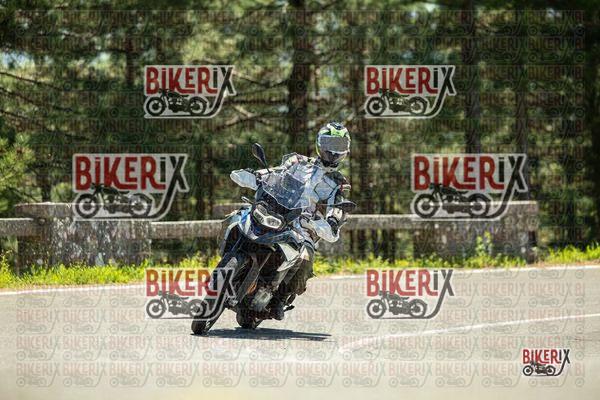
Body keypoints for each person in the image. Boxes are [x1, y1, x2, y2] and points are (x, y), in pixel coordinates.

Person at [262, 122, 353, 320]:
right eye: (329, 143)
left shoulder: (340, 183)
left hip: (304, 229)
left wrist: (332, 222)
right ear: (319, 143)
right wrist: (259, 175)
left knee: (304, 259)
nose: (333, 151)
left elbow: (338, 208)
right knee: (241, 216)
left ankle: (280, 298)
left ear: (346, 149)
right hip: (277, 213)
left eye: (338, 145)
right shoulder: (297, 161)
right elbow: (276, 172)